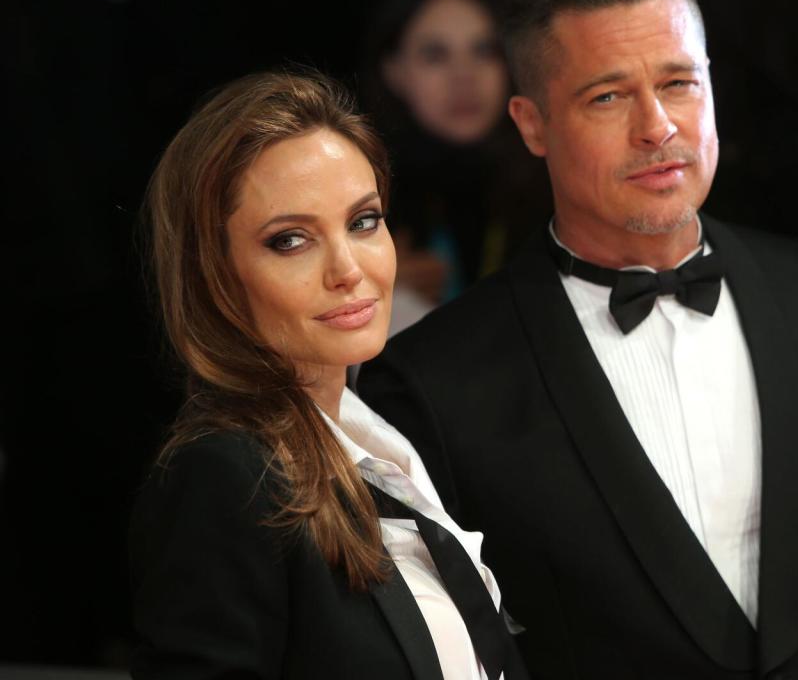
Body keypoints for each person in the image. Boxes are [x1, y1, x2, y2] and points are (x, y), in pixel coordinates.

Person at [357, 0, 798, 679]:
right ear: (532, 124)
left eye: (679, 82)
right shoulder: (435, 382)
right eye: (609, 96)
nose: (658, 126)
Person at [129, 70, 528, 680]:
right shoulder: (223, 474)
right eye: (291, 240)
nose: (347, 269)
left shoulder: (378, 443)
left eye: (363, 221)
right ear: (213, 276)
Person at [364, 0, 551, 328]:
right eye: (435, 54)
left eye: (485, 51)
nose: (464, 77)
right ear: (393, 70)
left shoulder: (557, 183)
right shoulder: (361, 195)